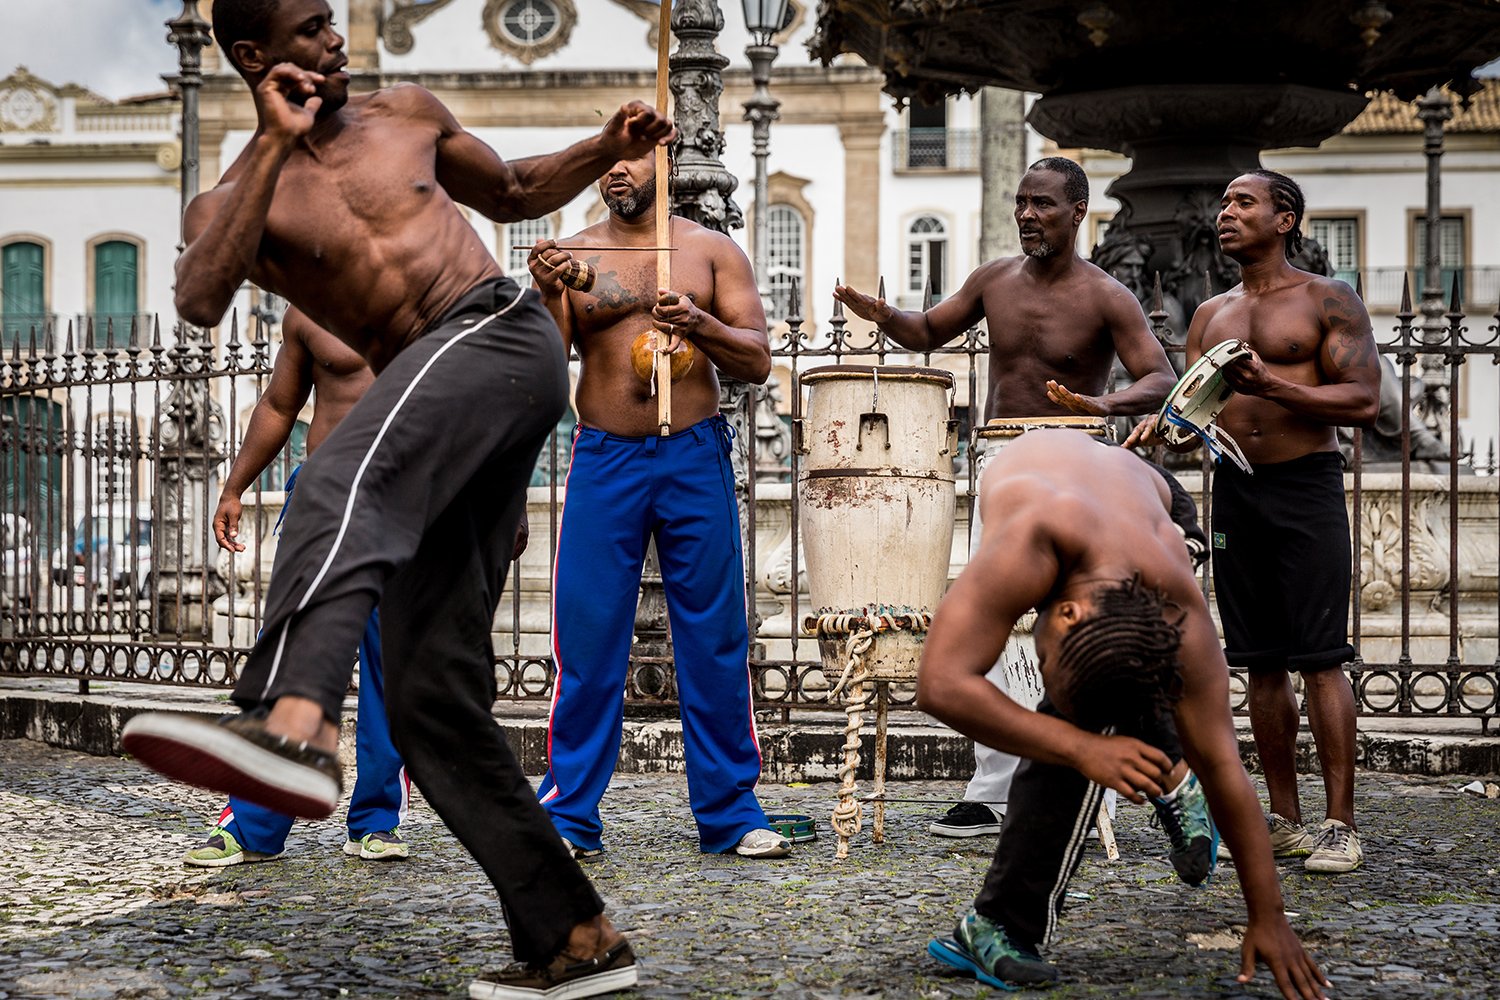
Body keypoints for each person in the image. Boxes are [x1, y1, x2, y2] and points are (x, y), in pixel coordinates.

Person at [118, 2, 674, 996]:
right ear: (254, 56)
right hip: (443, 399)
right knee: (426, 697)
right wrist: (271, 143)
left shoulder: (406, 111)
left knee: (336, 477)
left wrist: (603, 146)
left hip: (498, 331)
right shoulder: (239, 196)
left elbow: (507, 191)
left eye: (333, 22)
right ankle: (573, 935)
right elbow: (201, 296)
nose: (332, 40)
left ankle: (293, 719)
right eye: (306, 28)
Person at [833, 156, 1179, 841]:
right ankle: (992, 792)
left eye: (1043, 204)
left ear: (1078, 213)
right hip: (1001, 456)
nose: (1027, 214)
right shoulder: (994, 280)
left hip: (1079, 460)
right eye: (1022, 202)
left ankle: (1089, 792)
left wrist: (1097, 402)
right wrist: (883, 314)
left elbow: (1160, 378)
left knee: (1075, 621)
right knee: (993, 622)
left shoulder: (1108, 295)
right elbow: (929, 331)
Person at [916, 429, 1329, 1000]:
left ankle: (1162, 782)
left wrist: (1270, 918)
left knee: (1102, 706)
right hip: (1064, 476)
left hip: (1158, 502)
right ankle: (1158, 776)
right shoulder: (1027, 542)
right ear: (1061, 612)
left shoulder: (1181, 617)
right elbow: (939, 684)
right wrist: (1080, 746)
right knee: (1071, 727)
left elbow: (1226, 766)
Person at [525, 153, 789, 860]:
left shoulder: (709, 252)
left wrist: (700, 323)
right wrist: (548, 297)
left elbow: (758, 359)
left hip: (693, 453)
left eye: (631, 159)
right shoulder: (576, 252)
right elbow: (550, 371)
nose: (615, 171)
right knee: (585, 636)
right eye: (606, 159)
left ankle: (731, 813)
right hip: (604, 454)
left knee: (714, 635)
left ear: (663, 165)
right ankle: (571, 813)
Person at [1128, 169, 1379, 874]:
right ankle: (1287, 818)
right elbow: (1195, 417)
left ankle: (1340, 824)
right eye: (1224, 203)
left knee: (1323, 658)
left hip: (1306, 486)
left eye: (1244, 203)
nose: (1225, 214)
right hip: (1236, 490)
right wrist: (1166, 427)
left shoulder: (1328, 298)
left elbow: (1364, 400)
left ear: (1286, 219)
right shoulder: (1210, 315)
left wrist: (1273, 384)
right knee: (1260, 663)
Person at [184, 306, 411, 867]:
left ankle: (376, 820)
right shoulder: (310, 307)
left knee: (394, 664)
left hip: (403, 497)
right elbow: (281, 404)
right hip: (323, 496)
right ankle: (253, 821)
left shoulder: (431, 298)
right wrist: (235, 487)